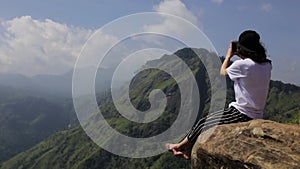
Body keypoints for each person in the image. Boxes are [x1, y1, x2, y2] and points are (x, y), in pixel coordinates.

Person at [165, 30, 272, 159]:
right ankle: (187, 150)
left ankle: (180, 146)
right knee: (207, 122)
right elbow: (254, 66)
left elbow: (222, 72)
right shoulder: (267, 65)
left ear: (242, 49)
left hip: (242, 113)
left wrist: (229, 56)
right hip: (258, 113)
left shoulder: (242, 65)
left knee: (204, 122)